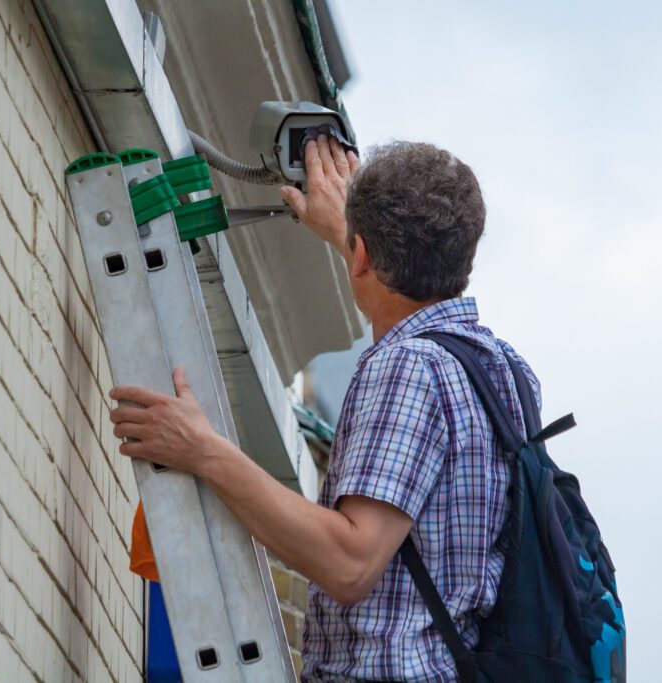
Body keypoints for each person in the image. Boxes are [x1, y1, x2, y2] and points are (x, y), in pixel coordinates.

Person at [109, 135, 541, 682]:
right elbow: (406, 297)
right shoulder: (505, 372)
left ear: (362, 257)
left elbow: (350, 564)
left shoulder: (408, 368)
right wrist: (354, 238)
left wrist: (203, 452)